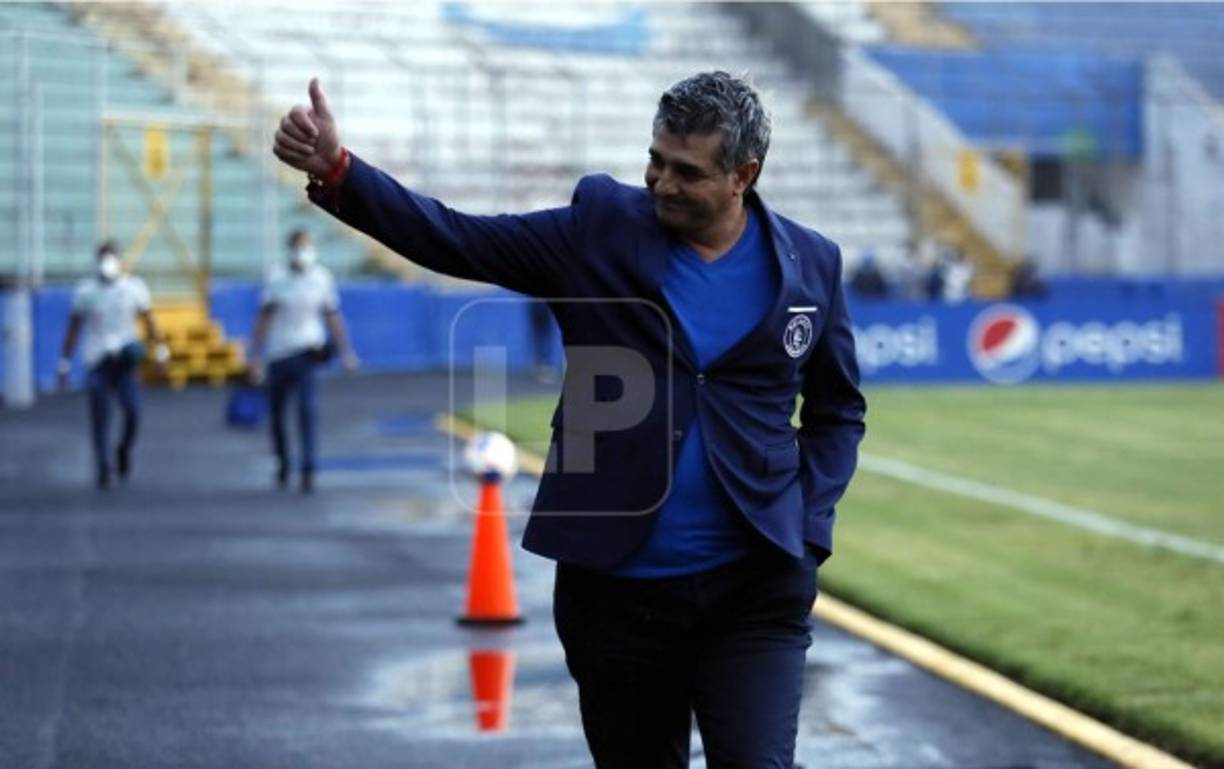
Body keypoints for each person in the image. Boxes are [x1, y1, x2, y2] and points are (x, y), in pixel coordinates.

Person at [274, 72, 865, 767]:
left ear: (744, 174)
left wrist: (807, 525)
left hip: (754, 592)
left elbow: (838, 410)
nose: (662, 182)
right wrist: (342, 173)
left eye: (686, 171)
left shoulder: (811, 264)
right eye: (655, 160)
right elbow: (457, 239)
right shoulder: (599, 230)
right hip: (617, 597)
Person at [247, 230, 359, 493]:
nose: (304, 252)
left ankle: (309, 466)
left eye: (308, 246)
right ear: (290, 249)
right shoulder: (277, 278)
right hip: (278, 354)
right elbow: (263, 319)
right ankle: (283, 461)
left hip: (307, 353)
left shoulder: (321, 278)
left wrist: (345, 351)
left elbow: (332, 315)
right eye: (300, 247)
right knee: (277, 414)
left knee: (307, 410)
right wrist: (255, 356)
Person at [57, 240, 169, 489]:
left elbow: (150, 321)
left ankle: (123, 449)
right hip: (97, 361)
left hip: (125, 362)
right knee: (100, 416)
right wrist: (64, 363)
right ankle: (103, 466)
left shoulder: (134, 288)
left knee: (133, 413)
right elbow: (73, 327)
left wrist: (160, 351)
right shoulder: (85, 291)